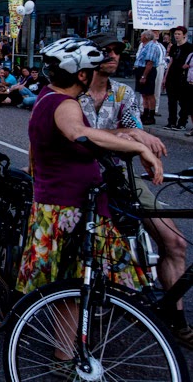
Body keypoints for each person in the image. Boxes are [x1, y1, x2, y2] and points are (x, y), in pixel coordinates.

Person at [15, 38, 162, 359]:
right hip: (71, 209)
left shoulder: (48, 96)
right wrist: (138, 146)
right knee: (76, 283)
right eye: (91, 69)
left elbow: (82, 138)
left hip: (61, 205)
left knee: (70, 286)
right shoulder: (65, 105)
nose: (96, 73)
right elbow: (77, 133)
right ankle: (69, 352)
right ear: (81, 75)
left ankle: (65, 353)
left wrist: (129, 135)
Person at [82, 33, 192, 347]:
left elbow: (134, 129)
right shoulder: (74, 94)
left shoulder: (123, 92)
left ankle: (176, 319)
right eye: (106, 51)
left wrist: (139, 142)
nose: (113, 56)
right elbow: (80, 135)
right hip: (81, 175)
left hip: (120, 174)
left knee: (175, 242)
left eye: (117, 51)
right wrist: (127, 136)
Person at [164, 26, 192, 131]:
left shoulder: (189, 47)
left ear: (184, 35)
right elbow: (171, 62)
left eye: (179, 34)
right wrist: (165, 77)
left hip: (183, 77)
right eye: (175, 34)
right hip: (172, 76)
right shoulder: (174, 47)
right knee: (171, 101)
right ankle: (171, 121)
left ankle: (182, 122)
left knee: (183, 101)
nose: (177, 36)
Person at [133, 30, 159, 125]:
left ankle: (151, 116)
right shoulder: (144, 46)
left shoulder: (152, 46)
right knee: (144, 94)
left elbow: (150, 62)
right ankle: (145, 113)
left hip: (147, 71)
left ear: (146, 37)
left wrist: (144, 76)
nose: (140, 37)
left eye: (141, 36)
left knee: (149, 94)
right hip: (141, 69)